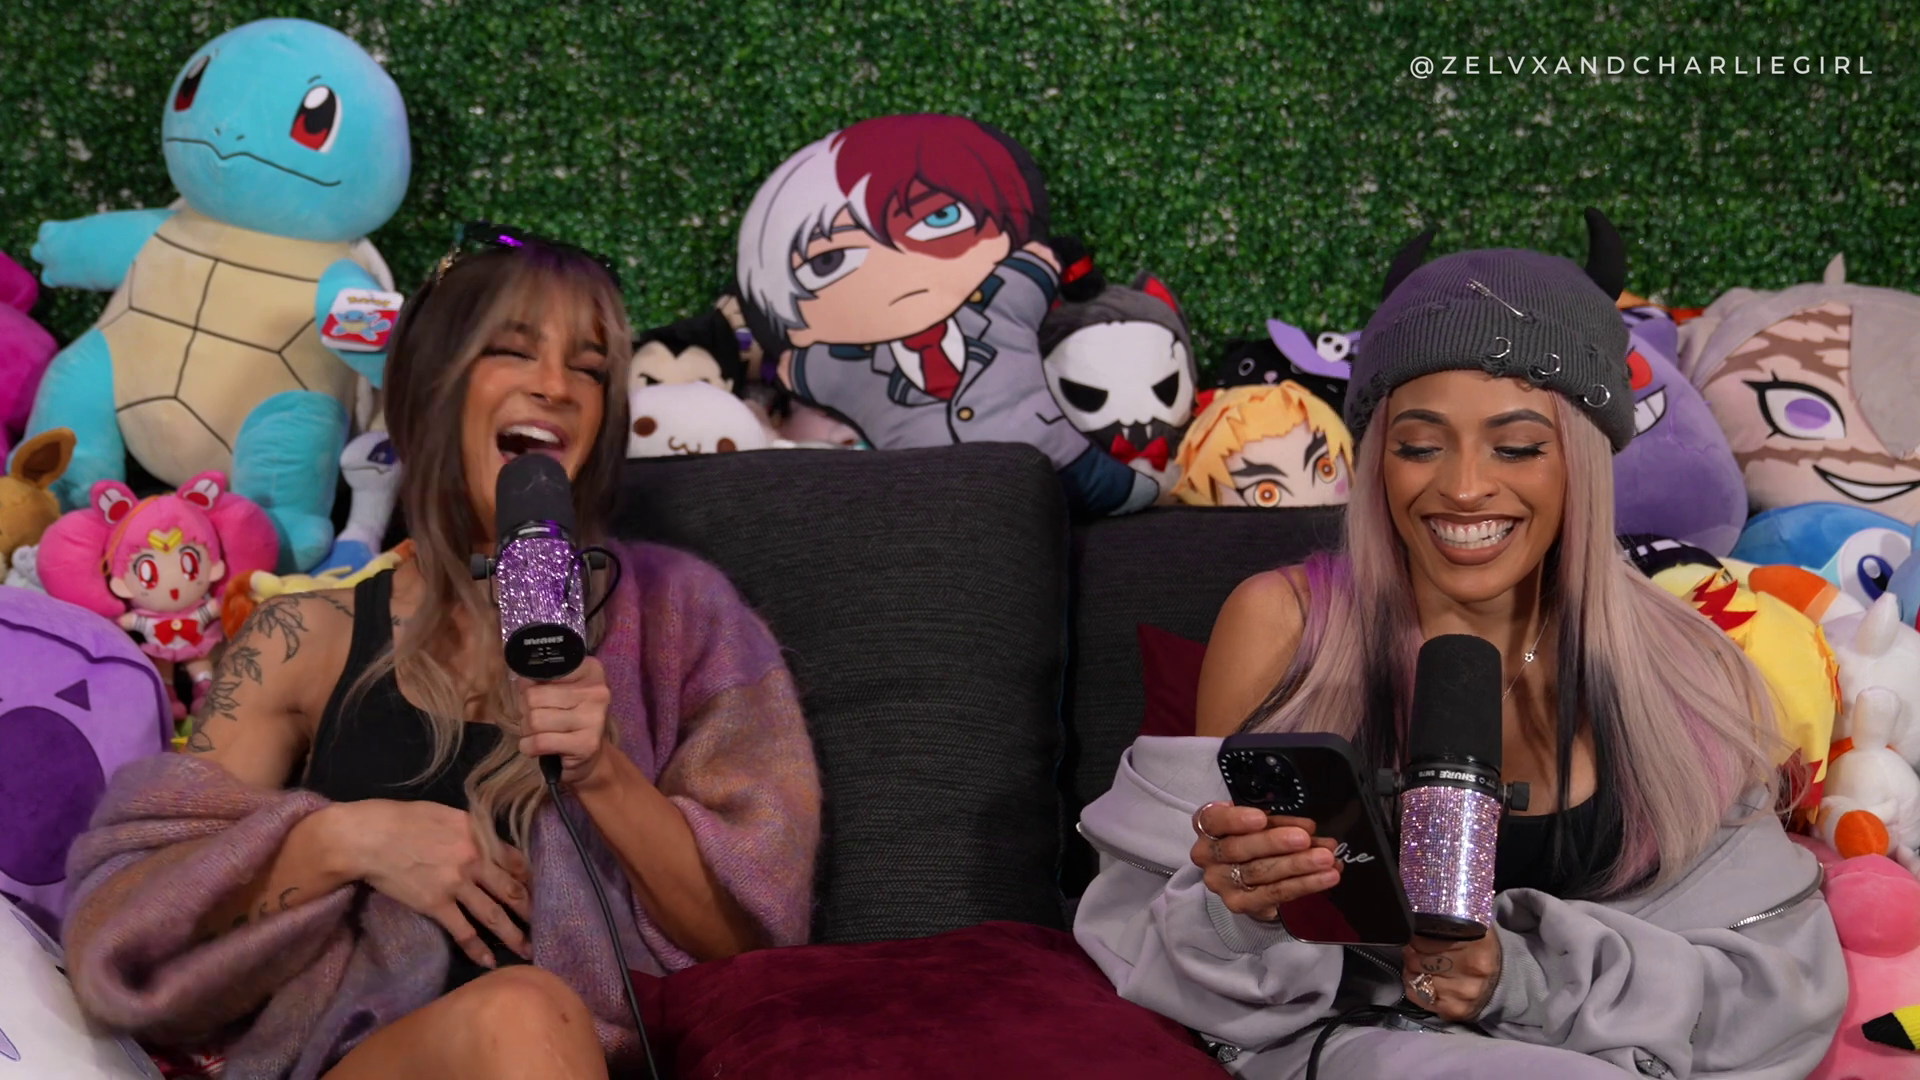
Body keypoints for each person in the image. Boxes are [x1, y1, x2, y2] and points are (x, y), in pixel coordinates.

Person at [1073, 211, 1846, 1079]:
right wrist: (1242, 908)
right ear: (1378, 459)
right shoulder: (1283, 626)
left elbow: (1768, 986)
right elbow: (1164, 943)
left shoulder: (1682, 664)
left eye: (1516, 447)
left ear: (1582, 463)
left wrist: (1520, 976)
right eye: (1418, 446)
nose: (1465, 486)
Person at [61, 224, 823, 1080]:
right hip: (355, 1061)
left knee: (528, 1014)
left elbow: (749, 942)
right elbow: (125, 935)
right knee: (517, 1013)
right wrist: (344, 841)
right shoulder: (302, 638)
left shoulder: (684, 614)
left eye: (588, 368)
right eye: (513, 350)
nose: (555, 387)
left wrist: (604, 775)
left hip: (597, 1057)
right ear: (431, 386)